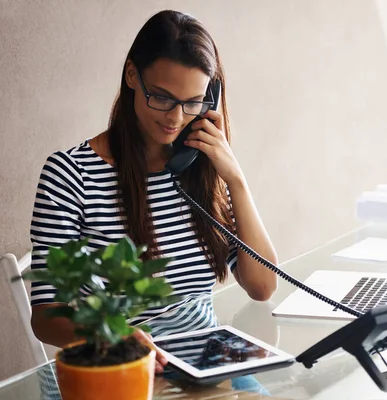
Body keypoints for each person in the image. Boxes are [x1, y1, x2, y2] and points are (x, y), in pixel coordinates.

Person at [29, 9, 278, 374]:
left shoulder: (198, 168)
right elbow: (47, 316)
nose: (176, 118)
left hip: (205, 367)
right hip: (118, 369)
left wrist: (235, 180)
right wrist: (115, 335)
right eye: (162, 97)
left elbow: (261, 286)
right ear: (133, 75)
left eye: (193, 102)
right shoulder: (70, 175)